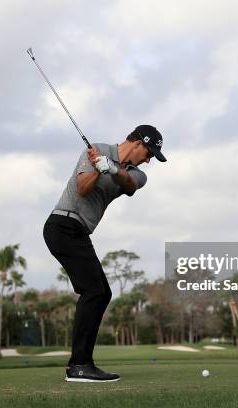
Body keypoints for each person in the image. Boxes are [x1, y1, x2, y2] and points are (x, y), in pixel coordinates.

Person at [43, 124, 167, 382]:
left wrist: (110, 168)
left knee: (102, 293)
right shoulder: (96, 150)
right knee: (95, 292)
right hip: (63, 225)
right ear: (137, 143)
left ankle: (80, 364)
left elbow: (129, 183)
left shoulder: (137, 174)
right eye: (148, 153)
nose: (148, 160)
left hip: (77, 231)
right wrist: (99, 170)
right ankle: (79, 365)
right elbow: (81, 189)